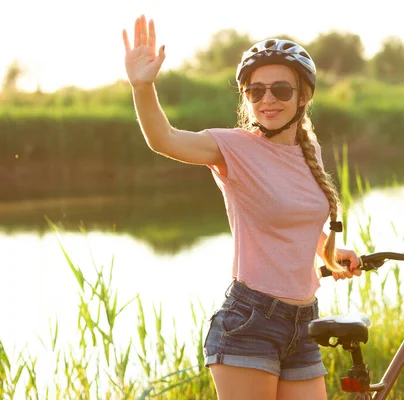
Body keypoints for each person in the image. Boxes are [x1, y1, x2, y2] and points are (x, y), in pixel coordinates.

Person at [122, 15, 362, 400]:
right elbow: (163, 139)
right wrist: (142, 86)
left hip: (303, 321)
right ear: (246, 98)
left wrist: (328, 251)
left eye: (281, 90)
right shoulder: (233, 147)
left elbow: (290, 220)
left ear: (303, 97)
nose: (268, 100)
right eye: (256, 91)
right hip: (249, 322)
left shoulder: (307, 149)